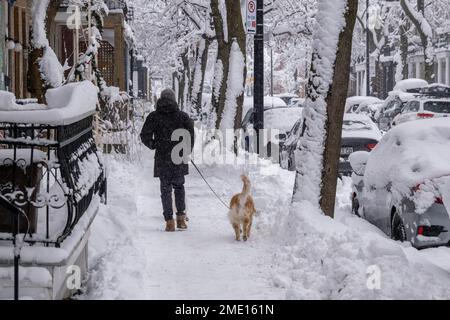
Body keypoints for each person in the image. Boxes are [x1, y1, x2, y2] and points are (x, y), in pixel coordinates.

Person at [140, 88, 195, 232]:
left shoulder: (154, 116)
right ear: (174, 99)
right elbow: (190, 136)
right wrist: (186, 150)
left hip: (162, 158)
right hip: (179, 156)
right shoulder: (183, 117)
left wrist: (154, 145)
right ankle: (181, 219)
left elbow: (145, 135)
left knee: (165, 190)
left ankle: (169, 221)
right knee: (179, 187)